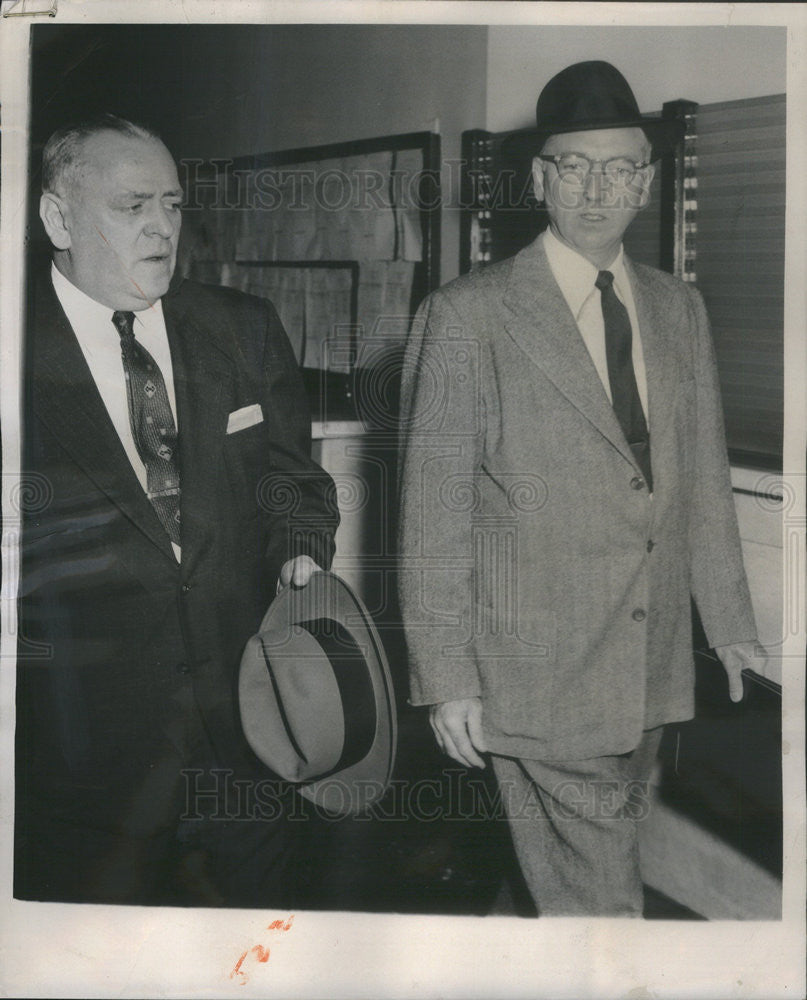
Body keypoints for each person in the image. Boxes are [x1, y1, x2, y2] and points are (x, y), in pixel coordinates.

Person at [397, 62, 764, 917]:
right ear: (538, 179)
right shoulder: (469, 314)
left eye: (618, 167)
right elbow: (432, 513)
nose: (597, 188)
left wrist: (730, 623)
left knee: (578, 868)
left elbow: (701, 476)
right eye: (573, 166)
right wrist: (447, 678)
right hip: (533, 671)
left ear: (647, 180)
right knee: (600, 904)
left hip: (650, 660)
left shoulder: (678, 308)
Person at [15, 114, 340, 906]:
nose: (162, 227)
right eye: (132, 207)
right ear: (59, 219)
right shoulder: (11, 349)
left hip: (250, 735)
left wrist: (298, 551)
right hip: (86, 768)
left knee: (256, 949)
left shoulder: (242, 328)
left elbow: (293, 485)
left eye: (171, 203)